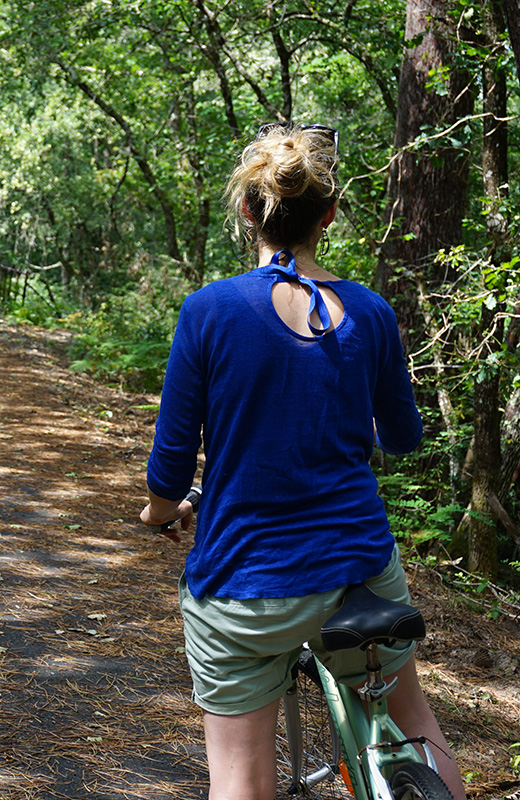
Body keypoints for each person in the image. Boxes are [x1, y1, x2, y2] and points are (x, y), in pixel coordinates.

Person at [139, 123, 465, 800]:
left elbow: (171, 461)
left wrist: (160, 512)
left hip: (245, 580)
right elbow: (405, 438)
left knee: (239, 776)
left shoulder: (210, 310)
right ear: (329, 215)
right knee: (414, 722)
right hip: (359, 569)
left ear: (247, 210)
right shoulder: (370, 312)